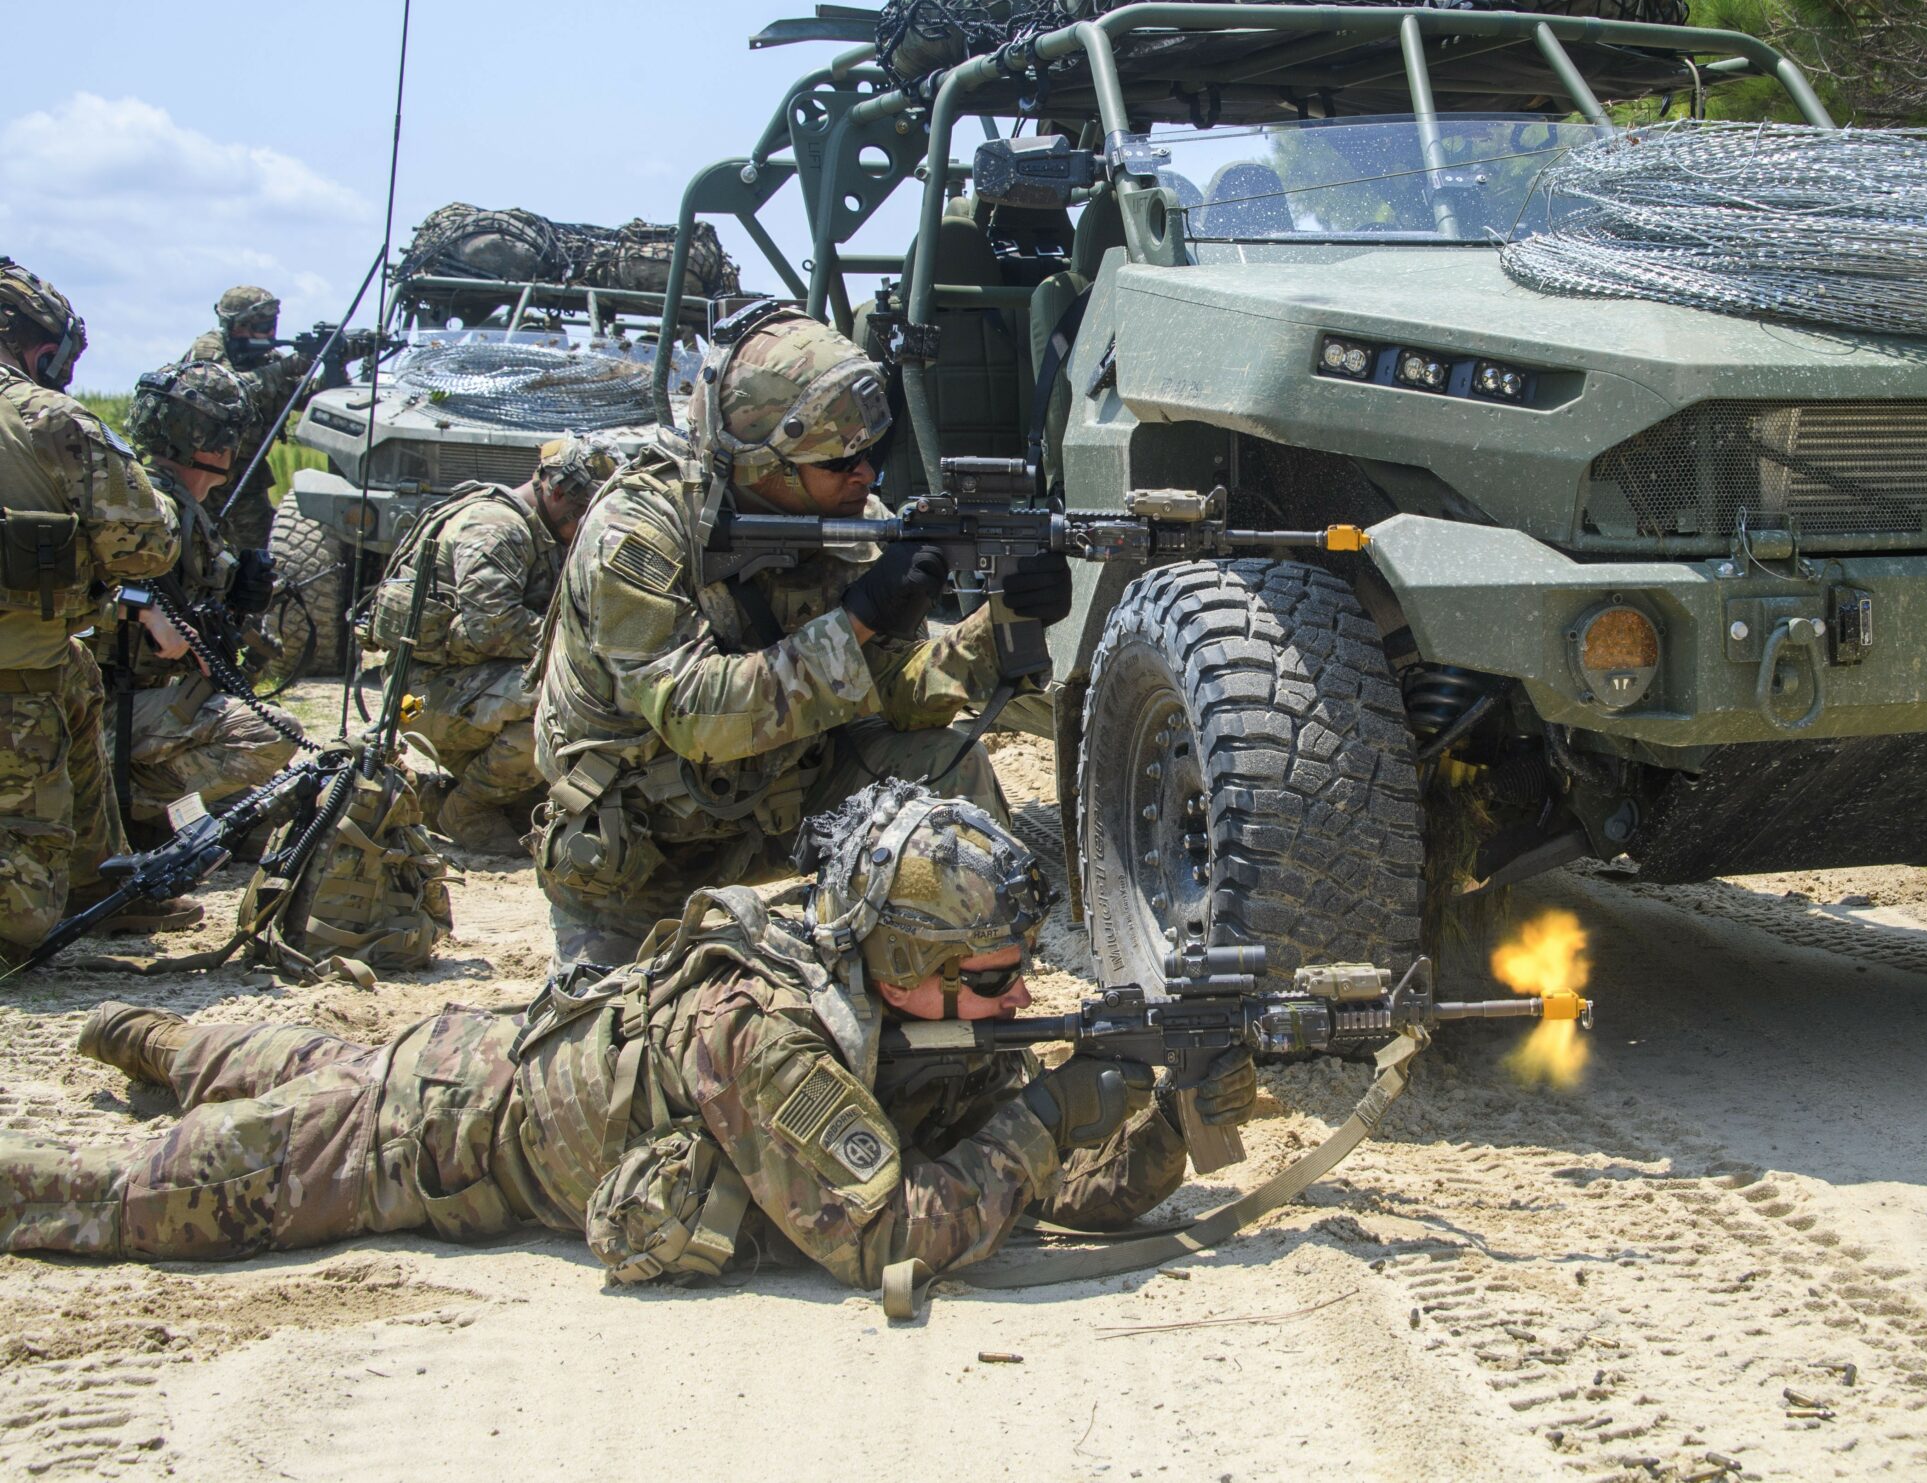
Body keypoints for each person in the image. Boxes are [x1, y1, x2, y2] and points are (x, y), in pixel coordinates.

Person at [0, 782, 1256, 1291]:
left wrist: (1162, 1129)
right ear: (906, 956)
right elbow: (893, 1234)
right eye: (986, 978)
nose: (1009, 1002)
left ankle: (158, 1042)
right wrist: (1050, 1113)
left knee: (251, 1057)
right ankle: (149, 1058)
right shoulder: (767, 1032)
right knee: (131, 1202)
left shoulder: (923, 1020)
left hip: (486, 1048)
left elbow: (1043, 1195)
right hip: (421, 1135)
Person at [531, 301, 1072, 965]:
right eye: (841, 459)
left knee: (942, 767)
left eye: (874, 452)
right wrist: (861, 617)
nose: (866, 474)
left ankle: (975, 980)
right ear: (763, 462)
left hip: (779, 817)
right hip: (640, 857)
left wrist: (1002, 622)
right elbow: (698, 717)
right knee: (630, 1053)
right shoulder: (637, 531)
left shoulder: (849, 520)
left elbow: (895, 695)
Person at [0, 258, 182, 967]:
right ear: (43, 351)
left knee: (76, 668)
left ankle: (97, 879)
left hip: (41, 672)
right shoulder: (51, 421)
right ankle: (62, 892)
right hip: (13, 689)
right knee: (18, 930)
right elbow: (149, 545)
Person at [364, 437, 612, 853]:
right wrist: (587, 649)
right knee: (562, 700)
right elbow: (493, 627)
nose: (584, 528)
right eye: (581, 514)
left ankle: (436, 798)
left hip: (465, 690)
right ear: (555, 492)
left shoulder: (542, 531)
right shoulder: (497, 528)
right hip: (415, 702)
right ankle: (469, 807)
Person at [111, 362, 294, 850]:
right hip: (110, 708)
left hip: (148, 699)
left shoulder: (183, 510)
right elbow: (79, 591)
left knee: (276, 803)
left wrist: (235, 595)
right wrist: (143, 610)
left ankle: (152, 807)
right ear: (213, 446)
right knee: (273, 736)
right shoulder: (147, 509)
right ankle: (128, 805)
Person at [182, 284, 310, 555]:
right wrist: (287, 367)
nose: (271, 333)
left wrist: (338, 364)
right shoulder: (209, 350)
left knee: (259, 556)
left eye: (272, 324)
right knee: (189, 547)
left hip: (245, 478)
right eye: (262, 325)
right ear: (235, 326)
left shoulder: (268, 359)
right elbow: (226, 389)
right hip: (198, 472)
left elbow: (307, 397)